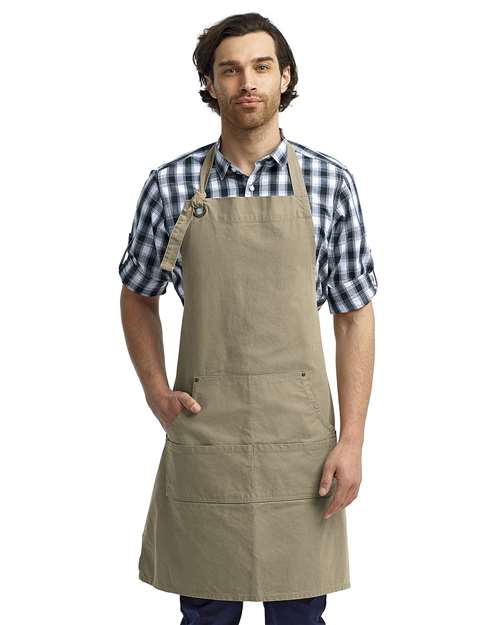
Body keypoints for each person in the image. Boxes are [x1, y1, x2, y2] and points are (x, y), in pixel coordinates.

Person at [118, 12, 377, 625]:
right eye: (230, 70)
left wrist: (352, 441)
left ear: (285, 77)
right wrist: (155, 390)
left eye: (262, 67)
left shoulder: (330, 183)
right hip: (207, 428)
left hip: (300, 438)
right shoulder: (170, 185)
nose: (247, 82)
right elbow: (137, 295)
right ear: (210, 84)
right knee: (206, 611)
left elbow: (354, 317)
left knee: (300, 614)